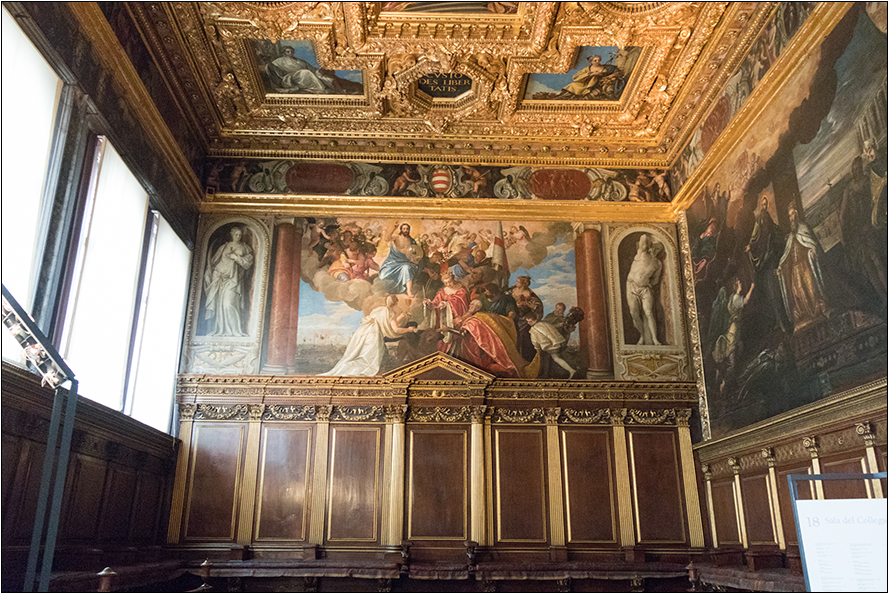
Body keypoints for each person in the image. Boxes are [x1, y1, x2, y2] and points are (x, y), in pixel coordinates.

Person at [321, 296, 417, 377]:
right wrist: (409, 329)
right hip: (373, 335)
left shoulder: (379, 309)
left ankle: (344, 369)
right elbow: (395, 329)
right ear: (396, 303)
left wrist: (401, 316)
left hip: (361, 332)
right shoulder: (391, 313)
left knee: (356, 356)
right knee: (368, 361)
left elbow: (386, 322)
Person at [778, 205, 830, 328]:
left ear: (797, 215)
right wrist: (780, 267)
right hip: (795, 270)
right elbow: (786, 255)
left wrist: (812, 251)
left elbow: (811, 243)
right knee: (798, 293)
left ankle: (818, 311)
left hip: (805, 265)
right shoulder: (790, 237)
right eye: (789, 216)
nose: (791, 218)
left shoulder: (803, 228)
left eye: (793, 214)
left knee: (811, 289)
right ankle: (805, 317)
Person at [746, 195, 790, 333]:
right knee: (772, 294)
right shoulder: (761, 220)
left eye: (766, 204)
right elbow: (756, 238)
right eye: (762, 205)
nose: (764, 207)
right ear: (760, 206)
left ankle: (782, 321)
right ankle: (779, 321)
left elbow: (769, 236)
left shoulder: (767, 220)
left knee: (777, 292)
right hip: (766, 263)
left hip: (771, 261)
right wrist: (751, 246)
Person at [203, 227, 254, 336]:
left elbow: (248, 263)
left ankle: (235, 330)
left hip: (233, 280)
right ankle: (222, 330)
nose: (238, 236)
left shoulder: (245, 247)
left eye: (240, 235)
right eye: (236, 234)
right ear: (232, 234)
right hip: (219, 278)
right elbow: (215, 261)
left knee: (229, 304)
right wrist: (211, 273)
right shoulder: (224, 247)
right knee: (220, 305)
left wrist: (236, 257)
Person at [267, 46, 358, 95]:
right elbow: (273, 69)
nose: (290, 53)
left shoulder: (299, 60)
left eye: (291, 51)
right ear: (284, 53)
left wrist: (319, 71)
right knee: (305, 72)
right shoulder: (279, 61)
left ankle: (338, 91)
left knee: (325, 77)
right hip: (292, 78)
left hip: (304, 76)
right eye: (288, 51)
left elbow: (311, 68)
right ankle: (321, 90)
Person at [626, 233, 662, 345]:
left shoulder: (657, 263)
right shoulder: (642, 254)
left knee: (648, 312)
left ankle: (655, 339)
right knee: (634, 313)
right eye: (655, 248)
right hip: (632, 286)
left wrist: (647, 283)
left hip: (645, 288)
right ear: (650, 246)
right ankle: (642, 335)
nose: (655, 251)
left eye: (658, 250)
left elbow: (655, 279)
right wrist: (648, 245)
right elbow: (643, 237)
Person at [525, 311, 576, 378]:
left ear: (535, 320)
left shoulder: (535, 329)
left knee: (549, 359)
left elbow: (536, 341)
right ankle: (571, 370)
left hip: (548, 346)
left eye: (530, 321)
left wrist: (537, 348)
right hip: (552, 345)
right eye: (527, 321)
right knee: (556, 358)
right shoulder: (543, 324)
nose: (528, 323)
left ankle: (545, 374)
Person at [378, 222, 421, 296]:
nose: (406, 230)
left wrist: (414, 259)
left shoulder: (412, 240)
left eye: (407, 229)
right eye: (404, 229)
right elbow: (386, 239)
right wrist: (393, 229)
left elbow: (415, 252)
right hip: (394, 261)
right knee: (385, 272)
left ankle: (409, 291)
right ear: (401, 229)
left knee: (406, 268)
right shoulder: (396, 237)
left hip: (406, 261)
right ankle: (389, 290)